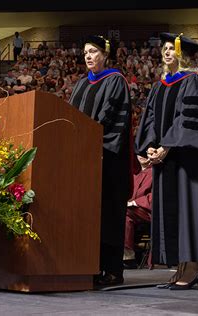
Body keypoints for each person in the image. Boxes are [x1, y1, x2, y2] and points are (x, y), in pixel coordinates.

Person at [135, 33, 198, 290]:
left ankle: (192, 268)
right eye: (165, 49)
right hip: (164, 160)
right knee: (172, 212)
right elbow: (149, 119)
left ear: (184, 54)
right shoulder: (160, 85)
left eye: (173, 49)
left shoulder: (193, 80)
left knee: (187, 209)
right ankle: (180, 265)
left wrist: (167, 146)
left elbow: (190, 118)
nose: (167, 53)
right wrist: (149, 148)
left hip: (186, 160)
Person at [69, 35, 131, 286]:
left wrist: (90, 138)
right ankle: (89, 266)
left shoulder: (116, 81)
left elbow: (109, 118)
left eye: (93, 51)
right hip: (85, 158)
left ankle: (113, 270)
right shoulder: (82, 84)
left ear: (105, 55)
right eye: (85, 52)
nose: (88, 56)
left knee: (108, 214)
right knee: (88, 214)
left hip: (108, 160)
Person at [123, 155, 153, 269]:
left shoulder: (156, 172)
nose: (142, 156)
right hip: (133, 211)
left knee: (125, 212)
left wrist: (134, 203)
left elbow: (154, 196)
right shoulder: (134, 172)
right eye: (140, 153)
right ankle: (126, 257)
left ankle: (128, 256)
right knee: (122, 214)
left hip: (148, 212)